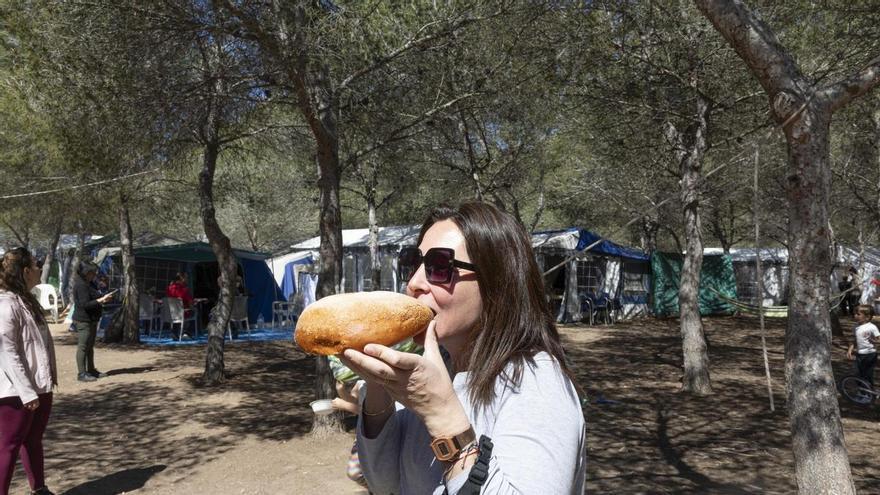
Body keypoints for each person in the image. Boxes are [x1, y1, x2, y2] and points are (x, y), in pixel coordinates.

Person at [340, 201, 587, 494]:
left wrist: (441, 416)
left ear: (496, 282)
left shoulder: (535, 380)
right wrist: (378, 387)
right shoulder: (434, 369)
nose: (414, 283)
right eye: (415, 262)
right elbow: (386, 483)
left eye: (439, 266)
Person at [0, 247, 58, 495]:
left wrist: (43, 384)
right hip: (17, 391)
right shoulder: (6, 304)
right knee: (8, 446)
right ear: (25, 271)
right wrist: (27, 392)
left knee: (32, 440)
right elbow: (7, 351)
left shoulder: (26, 300)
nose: (39, 269)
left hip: (39, 385)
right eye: (36, 265)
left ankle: (40, 488)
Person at [72, 261, 113, 382]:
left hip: (92, 319)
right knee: (83, 346)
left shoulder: (89, 284)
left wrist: (104, 299)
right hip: (83, 320)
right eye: (91, 273)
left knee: (90, 346)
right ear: (85, 273)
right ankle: (81, 373)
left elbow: (95, 297)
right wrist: (101, 300)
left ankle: (91, 370)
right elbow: (85, 304)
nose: (94, 275)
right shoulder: (80, 285)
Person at [847, 304, 879, 389]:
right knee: (858, 373)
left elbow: (878, 339)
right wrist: (850, 350)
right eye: (855, 314)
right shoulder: (855, 327)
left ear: (867, 317)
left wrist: (874, 341)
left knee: (867, 374)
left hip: (870, 354)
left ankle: (869, 393)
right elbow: (854, 339)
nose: (855, 316)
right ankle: (862, 391)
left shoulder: (872, 327)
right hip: (859, 354)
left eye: (858, 314)